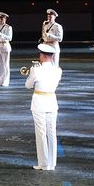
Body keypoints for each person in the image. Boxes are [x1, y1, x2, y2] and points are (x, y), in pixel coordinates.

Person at [26, 41, 62, 170]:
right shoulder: (58, 70)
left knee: (41, 133)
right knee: (52, 132)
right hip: (52, 101)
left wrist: (32, 72)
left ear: (42, 56)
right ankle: (52, 163)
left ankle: (43, 163)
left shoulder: (36, 70)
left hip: (39, 102)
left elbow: (28, 85)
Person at [0, 11, 14, 84]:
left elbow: (10, 38)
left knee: (6, 65)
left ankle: (6, 81)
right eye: (0, 18)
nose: (1, 20)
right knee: (0, 65)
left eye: (2, 18)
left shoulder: (8, 27)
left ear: (5, 19)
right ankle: (0, 81)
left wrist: (1, 34)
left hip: (5, 46)